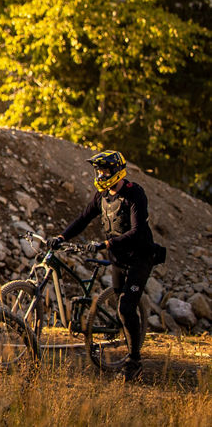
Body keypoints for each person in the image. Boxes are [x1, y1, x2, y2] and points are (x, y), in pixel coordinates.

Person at [47, 150, 154, 380]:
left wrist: (105, 244)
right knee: (119, 306)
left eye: (105, 170)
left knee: (126, 307)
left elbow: (137, 232)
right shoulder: (102, 196)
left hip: (140, 257)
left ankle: (134, 361)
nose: (101, 174)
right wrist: (62, 237)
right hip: (118, 258)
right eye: (98, 170)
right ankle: (120, 338)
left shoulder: (134, 194)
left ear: (117, 171)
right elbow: (83, 219)